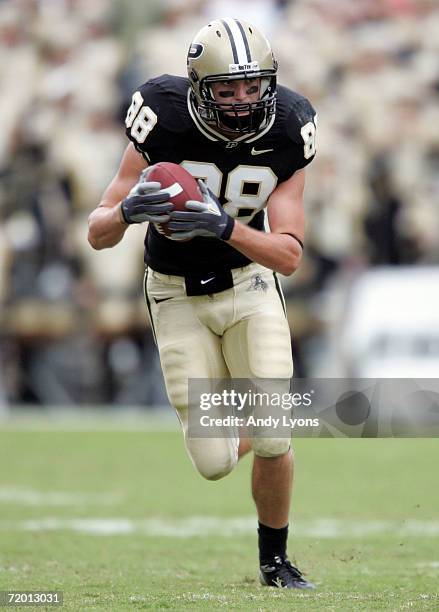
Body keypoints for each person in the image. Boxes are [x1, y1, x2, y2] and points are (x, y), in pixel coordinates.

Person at [88, 18, 317, 589]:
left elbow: (288, 256)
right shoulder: (161, 114)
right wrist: (126, 213)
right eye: (225, 88)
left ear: (271, 81)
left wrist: (223, 226)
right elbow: (97, 232)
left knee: (272, 435)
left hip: (248, 285)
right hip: (174, 293)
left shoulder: (290, 124)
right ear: (197, 87)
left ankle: (275, 562)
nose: (242, 101)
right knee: (214, 463)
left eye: (252, 86)